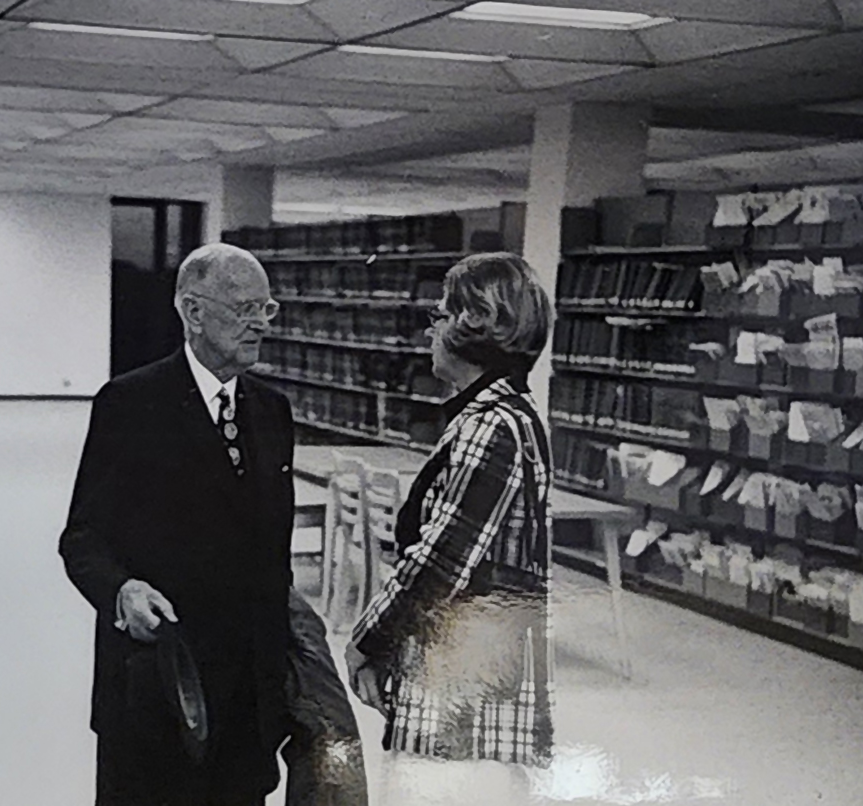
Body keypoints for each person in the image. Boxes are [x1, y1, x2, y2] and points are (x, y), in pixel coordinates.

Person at [59, 242, 365, 806]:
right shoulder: (130, 404)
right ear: (193, 312)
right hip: (156, 684)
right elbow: (82, 538)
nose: (259, 325)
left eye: (267, 310)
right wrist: (121, 590)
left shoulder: (272, 411)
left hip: (247, 698)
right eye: (244, 307)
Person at [344, 252, 555, 805]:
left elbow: (440, 562)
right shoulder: (496, 416)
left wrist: (367, 640)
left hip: (463, 691)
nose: (431, 328)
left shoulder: (492, 427)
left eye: (441, 314)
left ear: (476, 325)